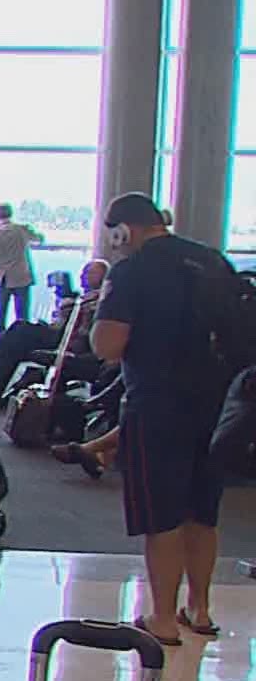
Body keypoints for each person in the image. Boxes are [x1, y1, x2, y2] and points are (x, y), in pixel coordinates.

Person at [91, 192, 233, 645]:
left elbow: (108, 346)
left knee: (162, 516)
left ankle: (164, 618)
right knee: (202, 511)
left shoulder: (132, 272)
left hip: (158, 405)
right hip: (217, 404)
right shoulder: (213, 262)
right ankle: (201, 608)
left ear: (121, 230)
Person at [0, 258, 109, 405]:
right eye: (83, 271)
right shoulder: (82, 296)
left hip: (67, 339)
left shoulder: (98, 299)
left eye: (89, 272)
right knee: (15, 340)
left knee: (19, 331)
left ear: (102, 277)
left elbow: (82, 331)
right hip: (60, 332)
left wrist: (72, 310)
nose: (82, 275)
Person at [0, 203, 44, 334]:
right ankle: (21, 342)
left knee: (0, 314)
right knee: (22, 315)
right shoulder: (21, 230)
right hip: (21, 276)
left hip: (1, 278)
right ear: (11, 213)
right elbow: (39, 239)